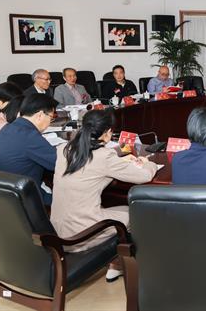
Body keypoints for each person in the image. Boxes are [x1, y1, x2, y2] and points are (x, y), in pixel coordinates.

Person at [51, 109, 158, 282]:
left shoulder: (64, 149)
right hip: (82, 235)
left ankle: (116, 263)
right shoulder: (103, 156)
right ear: (107, 133)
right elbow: (144, 176)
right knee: (135, 212)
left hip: (59, 232)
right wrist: (148, 163)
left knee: (115, 206)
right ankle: (124, 265)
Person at [0, 94, 58, 205]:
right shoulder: (29, 135)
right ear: (40, 115)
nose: (50, 122)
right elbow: (59, 163)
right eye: (51, 117)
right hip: (23, 199)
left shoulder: (8, 127)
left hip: (1, 195)